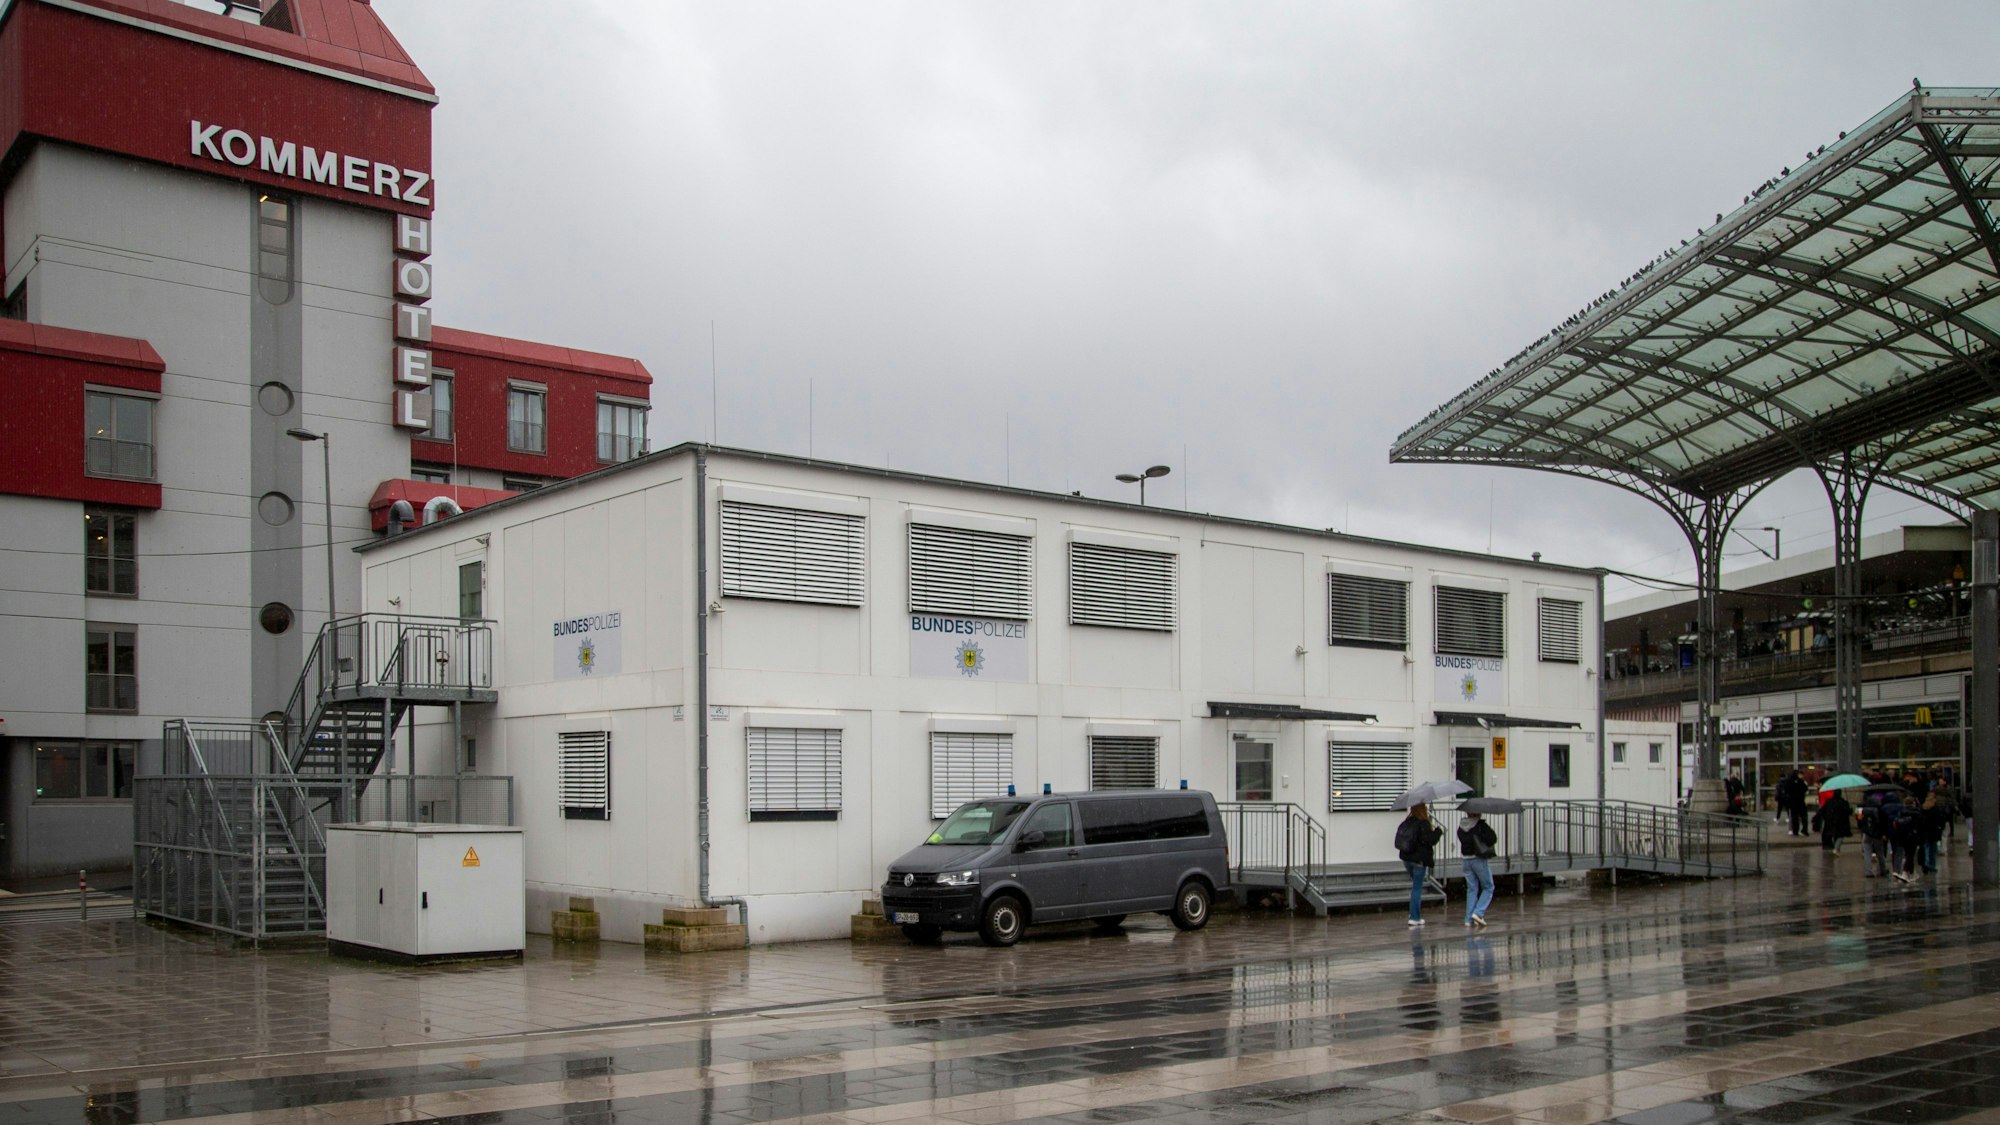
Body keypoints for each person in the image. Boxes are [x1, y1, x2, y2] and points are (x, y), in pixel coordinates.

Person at [1394, 803, 1445, 928]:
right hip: (1419, 860)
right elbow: (1429, 840)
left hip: (1407, 859)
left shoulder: (1408, 822)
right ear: (1423, 810)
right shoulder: (1423, 823)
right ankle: (1414, 917)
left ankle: (1413, 913)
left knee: (1415, 886)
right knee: (1417, 888)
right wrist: (1438, 832)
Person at [1456, 811, 1498, 928]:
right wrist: (1483, 827)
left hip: (1466, 860)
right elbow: (1492, 838)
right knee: (1488, 887)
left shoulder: (1461, 826)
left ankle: (1468, 919)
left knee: (1471, 889)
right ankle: (1478, 913)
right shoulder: (1480, 826)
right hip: (1478, 859)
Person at [1859, 793, 1892, 877]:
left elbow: (1858, 819)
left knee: (1867, 852)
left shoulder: (1860, 808)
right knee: (1880, 852)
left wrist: (1862, 828)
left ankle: (1868, 871)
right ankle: (1883, 869)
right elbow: (1883, 822)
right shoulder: (1879, 809)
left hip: (1866, 832)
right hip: (1877, 833)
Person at [1820, 789, 1853, 854]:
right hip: (1841, 823)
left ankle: (1834, 848)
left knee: (1833, 834)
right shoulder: (1843, 802)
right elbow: (1848, 812)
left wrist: (1826, 818)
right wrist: (1850, 809)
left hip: (1830, 822)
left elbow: (1822, 811)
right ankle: (1836, 848)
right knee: (1839, 836)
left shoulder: (1829, 802)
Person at [1776, 770, 1808, 836]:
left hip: (1792, 802)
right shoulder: (1800, 781)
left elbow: (1786, 790)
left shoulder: (1788, 781)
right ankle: (1804, 830)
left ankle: (1795, 831)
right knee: (1803, 816)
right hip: (1800, 801)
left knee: (1794, 817)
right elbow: (1805, 788)